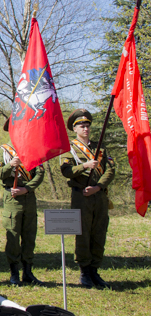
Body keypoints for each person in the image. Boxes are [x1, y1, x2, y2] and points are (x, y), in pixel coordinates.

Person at [60, 109, 116, 289]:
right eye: (82, 126)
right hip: (81, 196)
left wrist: (98, 187)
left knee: (99, 232)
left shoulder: (99, 147)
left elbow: (110, 169)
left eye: (87, 126)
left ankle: (95, 270)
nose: (86, 129)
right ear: (74, 129)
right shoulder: (69, 149)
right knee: (83, 233)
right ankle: (84, 270)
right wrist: (85, 165)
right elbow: (66, 171)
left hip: (99, 195)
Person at [0, 118, 44, 286]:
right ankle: (14, 272)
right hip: (13, 199)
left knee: (30, 235)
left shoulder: (33, 148)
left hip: (29, 197)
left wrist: (27, 189)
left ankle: (28, 271)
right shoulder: (3, 151)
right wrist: (10, 165)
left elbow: (40, 173)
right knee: (14, 236)